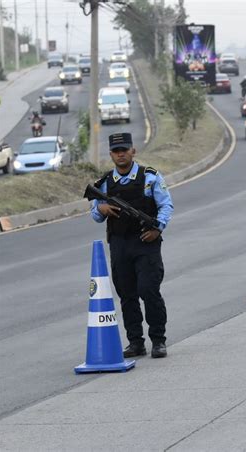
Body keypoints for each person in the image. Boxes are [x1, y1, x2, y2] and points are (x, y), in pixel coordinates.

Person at [90, 133, 174, 359]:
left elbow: (166, 205)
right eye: (116, 151)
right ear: (111, 154)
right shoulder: (105, 183)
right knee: (126, 294)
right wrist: (101, 209)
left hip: (146, 242)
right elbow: (95, 215)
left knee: (148, 290)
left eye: (124, 149)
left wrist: (158, 228)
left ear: (133, 151)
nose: (121, 154)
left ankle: (158, 340)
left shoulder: (150, 177)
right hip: (119, 244)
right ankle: (135, 342)